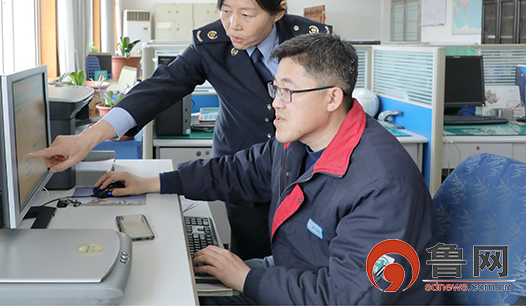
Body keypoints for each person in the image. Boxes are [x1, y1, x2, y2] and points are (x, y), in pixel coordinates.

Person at [94, 32, 441, 305]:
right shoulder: (298, 143)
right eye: (276, 88)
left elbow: (348, 296)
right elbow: (236, 172)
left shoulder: (382, 185)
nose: (275, 102)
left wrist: (246, 278)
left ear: (332, 98)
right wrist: (154, 182)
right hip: (294, 277)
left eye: (287, 91)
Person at [29, 0, 331, 260]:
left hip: (305, 171)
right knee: (249, 257)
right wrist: (88, 138)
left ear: (278, 12)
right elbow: (159, 88)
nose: (232, 25)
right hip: (239, 170)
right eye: (226, 11)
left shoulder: (313, 43)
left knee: (303, 258)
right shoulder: (213, 43)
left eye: (247, 15)